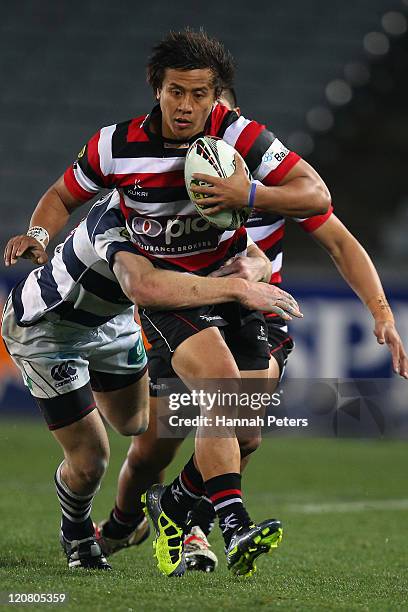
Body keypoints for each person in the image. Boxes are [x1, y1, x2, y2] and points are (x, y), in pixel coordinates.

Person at [3, 28, 331, 578]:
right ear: (156, 89)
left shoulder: (236, 137)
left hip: (124, 322)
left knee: (149, 425)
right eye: (176, 92)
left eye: (200, 94)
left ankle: (169, 507)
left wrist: (247, 199)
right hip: (54, 323)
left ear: (215, 96)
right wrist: (39, 234)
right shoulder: (117, 177)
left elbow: (314, 195)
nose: (187, 106)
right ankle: (108, 531)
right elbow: (130, 270)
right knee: (91, 461)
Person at [91, 86, 408, 574]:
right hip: (186, 312)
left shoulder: (268, 181)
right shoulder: (167, 180)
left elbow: (340, 243)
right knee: (156, 446)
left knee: (241, 429)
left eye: (222, 111)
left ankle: (191, 519)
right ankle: (122, 522)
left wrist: (382, 312)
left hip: (258, 316)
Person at [1, 190, 300, 572]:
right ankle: (76, 532)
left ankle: (162, 503)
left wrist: (251, 270)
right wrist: (241, 289)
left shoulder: (175, 212)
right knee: (92, 460)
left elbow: (249, 252)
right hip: (50, 332)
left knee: (136, 424)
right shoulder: (112, 223)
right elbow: (144, 288)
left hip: (114, 325)